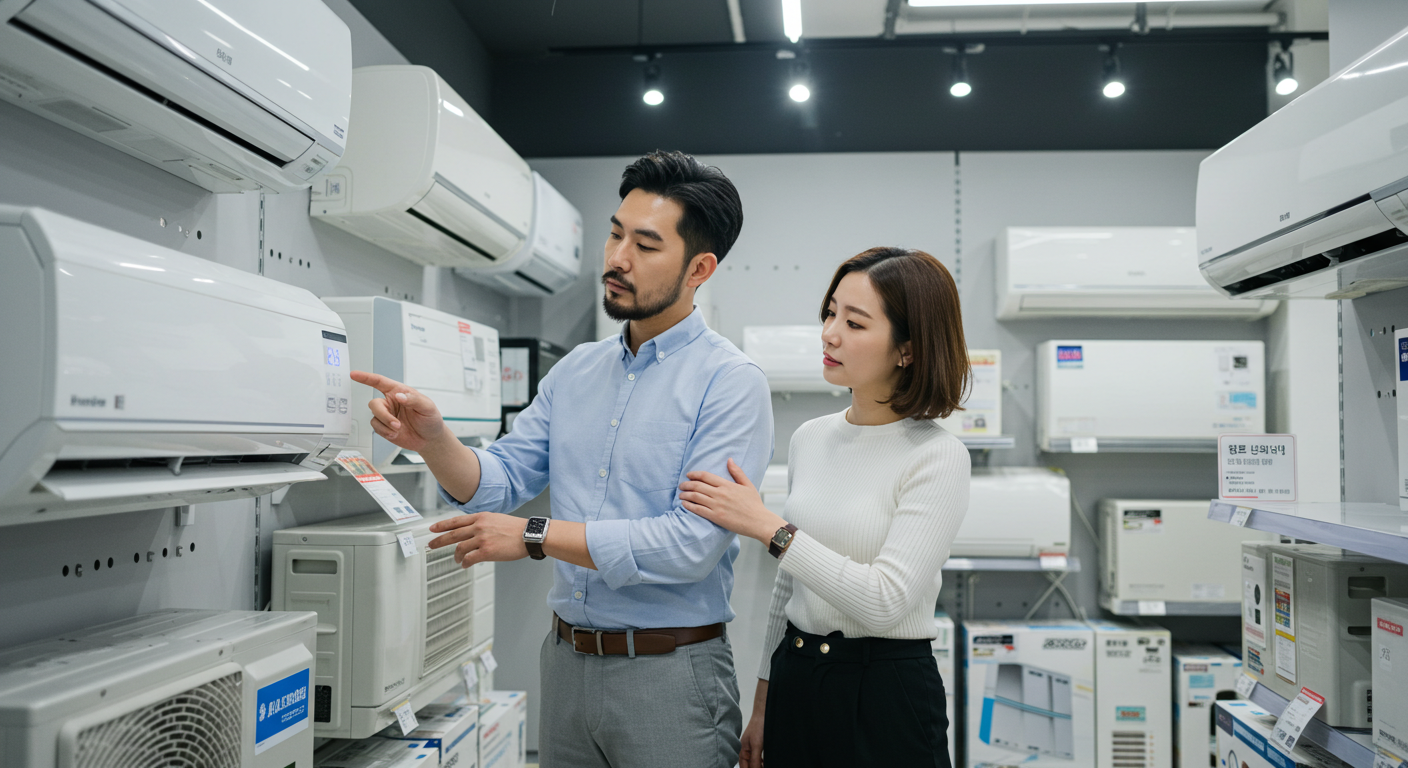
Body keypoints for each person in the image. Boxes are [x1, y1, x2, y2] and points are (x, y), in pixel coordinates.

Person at [349, 150, 773, 768]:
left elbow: (690, 546)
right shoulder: (577, 371)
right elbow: (497, 484)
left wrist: (535, 536)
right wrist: (435, 440)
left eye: (646, 245)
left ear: (699, 268)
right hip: (567, 665)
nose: (617, 258)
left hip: (671, 673)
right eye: (615, 233)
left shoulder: (729, 382)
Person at [678, 247, 972, 768]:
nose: (829, 333)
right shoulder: (811, 439)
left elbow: (886, 600)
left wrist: (769, 527)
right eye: (830, 312)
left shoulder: (937, 455)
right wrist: (764, 706)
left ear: (907, 349)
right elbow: (789, 588)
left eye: (854, 323)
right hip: (797, 675)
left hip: (885, 690)